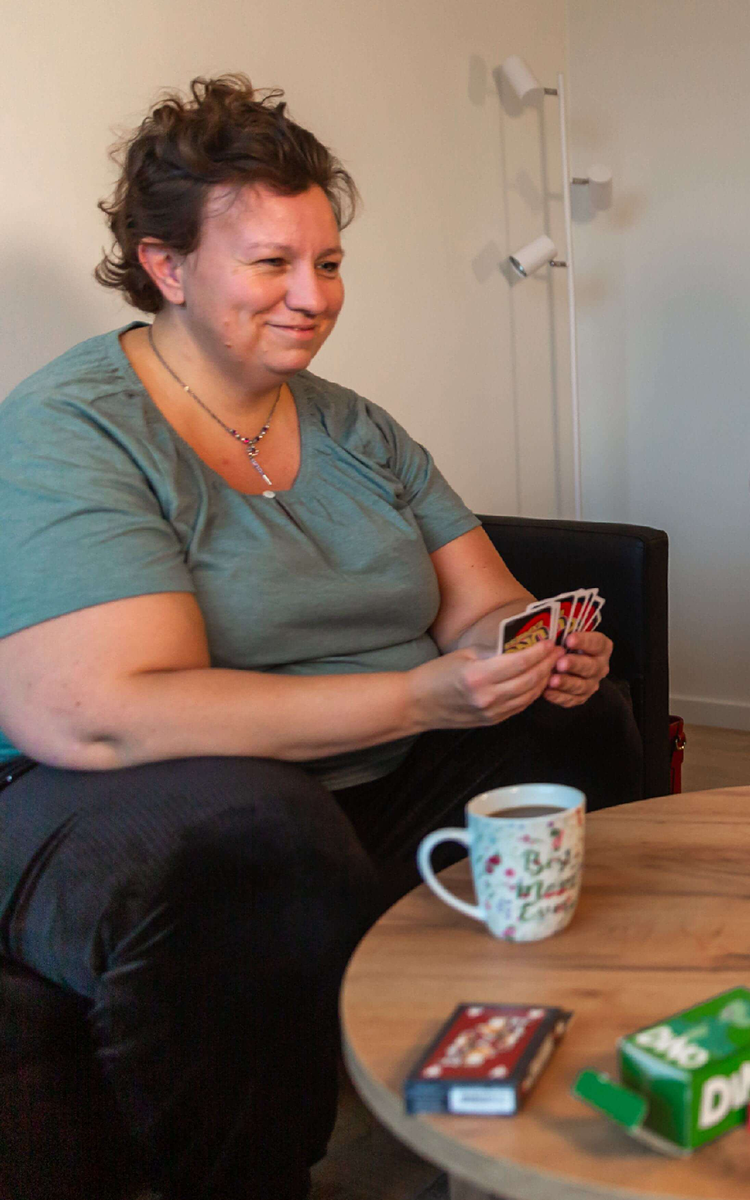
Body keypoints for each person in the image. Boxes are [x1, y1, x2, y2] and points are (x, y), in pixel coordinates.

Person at [0, 77, 641, 1199]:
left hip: (353, 780)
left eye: (329, 262)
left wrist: (530, 648)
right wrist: (417, 698)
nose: (313, 296)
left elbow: (479, 603)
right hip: (132, 803)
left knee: (582, 725)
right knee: (263, 833)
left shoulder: (355, 426)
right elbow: (100, 711)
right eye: (271, 264)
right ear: (168, 265)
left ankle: (517, 1070)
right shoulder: (74, 427)